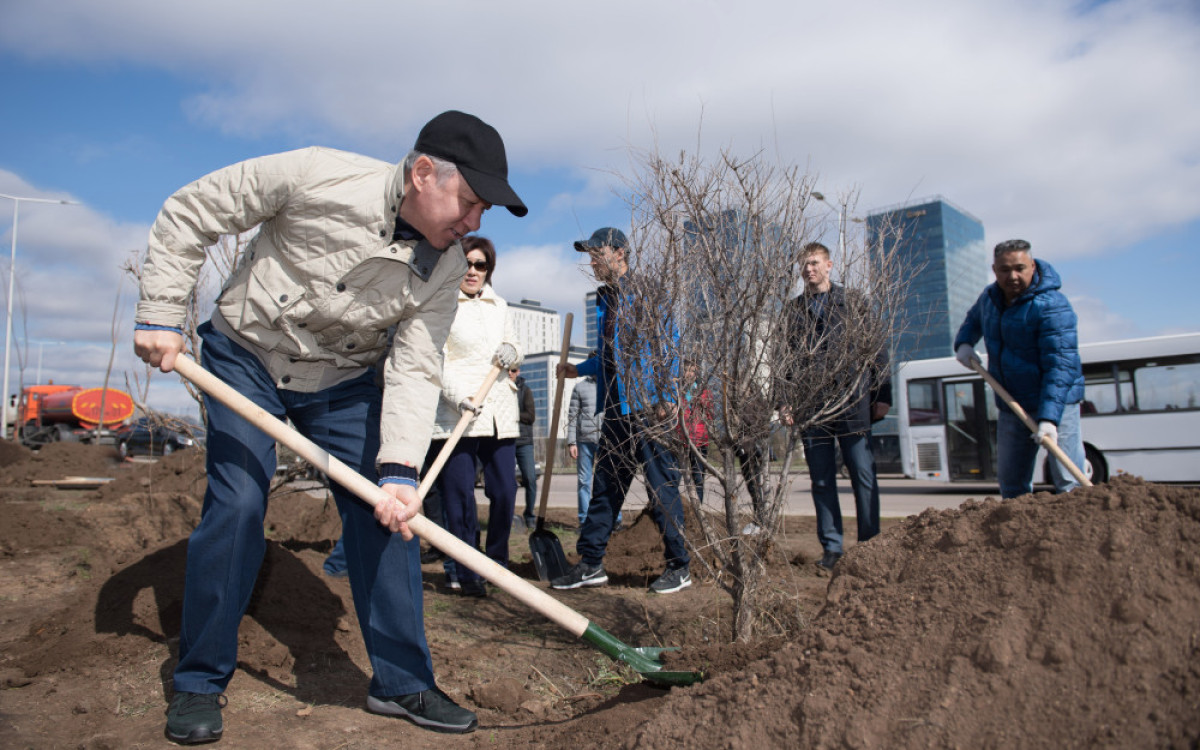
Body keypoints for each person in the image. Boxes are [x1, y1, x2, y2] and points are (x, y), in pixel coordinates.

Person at [133, 110, 526, 743]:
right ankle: (199, 680)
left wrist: (399, 469)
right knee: (237, 503)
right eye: (471, 202)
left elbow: (415, 365)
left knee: (392, 511)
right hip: (247, 356)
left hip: (342, 380)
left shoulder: (448, 267)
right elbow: (193, 209)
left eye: (483, 212)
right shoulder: (318, 174)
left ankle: (402, 684)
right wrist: (159, 310)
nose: (474, 223)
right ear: (424, 173)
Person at [550, 227, 691, 595]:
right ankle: (591, 563)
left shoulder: (646, 291)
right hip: (616, 409)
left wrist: (667, 393)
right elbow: (608, 358)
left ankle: (680, 565)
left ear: (620, 254)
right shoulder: (605, 298)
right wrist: (576, 370)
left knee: (662, 488)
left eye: (598, 253)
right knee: (605, 488)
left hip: (647, 408)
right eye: (590, 255)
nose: (592, 261)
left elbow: (669, 343)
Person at [784, 242, 891, 573]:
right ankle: (832, 548)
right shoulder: (792, 311)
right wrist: (784, 400)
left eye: (814, 263)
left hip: (853, 403)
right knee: (821, 481)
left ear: (829, 265)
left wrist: (882, 394)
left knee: (863, 474)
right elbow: (784, 360)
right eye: (803, 265)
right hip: (812, 408)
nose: (808, 269)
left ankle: (870, 544)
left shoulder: (853, 302)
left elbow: (877, 349)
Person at [953, 238, 1085, 500]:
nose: (1012, 276)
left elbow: (1061, 366)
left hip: (1057, 404)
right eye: (1004, 269)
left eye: (1019, 268)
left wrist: (1049, 419)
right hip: (1011, 402)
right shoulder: (990, 298)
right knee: (1012, 485)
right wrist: (965, 343)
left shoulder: (1052, 306)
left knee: (1070, 484)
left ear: (1032, 266)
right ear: (994, 269)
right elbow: (973, 320)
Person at [428, 235, 522, 598]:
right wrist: (457, 398)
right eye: (466, 263)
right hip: (458, 414)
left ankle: (496, 563)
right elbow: (435, 358)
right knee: (459, 498)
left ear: (488, 270)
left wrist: (511, 352)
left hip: (498, 411)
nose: (472, 271)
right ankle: (465, 570)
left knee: (505, 491)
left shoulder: (499, 305)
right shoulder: (440, 303)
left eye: (480, 265)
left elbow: (516, 348)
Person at [566, 373, 604, 526]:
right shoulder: (579, 387)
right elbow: (572, 416)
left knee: (609, 480)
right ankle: (584, 520)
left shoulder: (610, 385)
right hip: (584, 441)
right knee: (584, 481)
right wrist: (572, 442)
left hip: (606, 441)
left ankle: (613, 518)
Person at [510, 365, 538, 528]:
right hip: (506, 440)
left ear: (519, 371)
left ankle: (530, 516)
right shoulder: (500, 390)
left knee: (530, 479)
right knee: (507, 482)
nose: (510, 373)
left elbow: (530, 416)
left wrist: (512, 414)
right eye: (508, 370)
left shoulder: (525, 391)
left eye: (514, 370)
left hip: (524, 442)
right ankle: (509, 515)